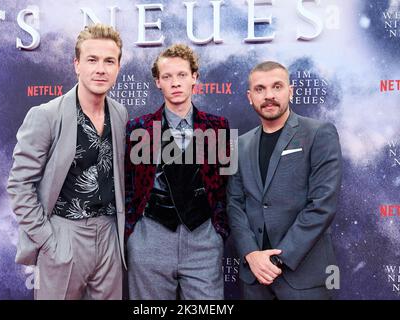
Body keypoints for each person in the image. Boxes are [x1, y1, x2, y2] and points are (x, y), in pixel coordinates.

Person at [7, 23, 127, 300]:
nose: (101, 69)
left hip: (110, 234)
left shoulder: (120, 114)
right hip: (64, 233)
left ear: (118, 67)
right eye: (92, 60)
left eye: (109, 61)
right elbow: (20, 185)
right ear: (77, 64)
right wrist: (49, 241)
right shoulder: (46, 115)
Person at [227, 61, 342, 300]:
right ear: (250, 97)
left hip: (304, 278)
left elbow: (322, 206)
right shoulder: (239, 145)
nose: (269, 96)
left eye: (276, 87)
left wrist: (277, 259)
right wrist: (251, 255)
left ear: (290, 91)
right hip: (254, 279)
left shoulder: (319, 133)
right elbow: (234, 205)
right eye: (260, 89)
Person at [125, 44, 230, 299]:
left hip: (203, 240)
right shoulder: (138, 128)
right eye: (167, 76)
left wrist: (219, 232)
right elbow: (128, 186)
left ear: (194, 77)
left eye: (182, 75)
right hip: (150, 239)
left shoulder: (218, 127)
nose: (175, 82)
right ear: (157, 82)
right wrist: (134, 233)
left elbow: (226, 184)